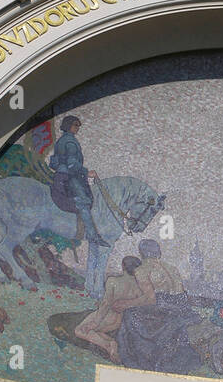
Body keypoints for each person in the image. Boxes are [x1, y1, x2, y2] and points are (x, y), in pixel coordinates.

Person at [74, 256, 154, 361]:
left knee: (80, 330)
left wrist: (95, 322)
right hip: (119, 321)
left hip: (108, 316)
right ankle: (111, 342)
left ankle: (107, 345)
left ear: (123, 266)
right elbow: (144, 302)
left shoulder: (113, 281)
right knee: (98, 332)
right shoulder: (139, 286)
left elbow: (106, 304)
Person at [48, 116, 106, 246]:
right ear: (68, 125)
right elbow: (72, 164)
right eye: (75, 125)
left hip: (61, 176)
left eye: (78, 125)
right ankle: (93, 236)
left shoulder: (61, 140)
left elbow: (54, 162)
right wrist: (87, 172)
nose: (77, 128)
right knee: (84, 203)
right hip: (68, 177)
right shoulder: (70, 142)